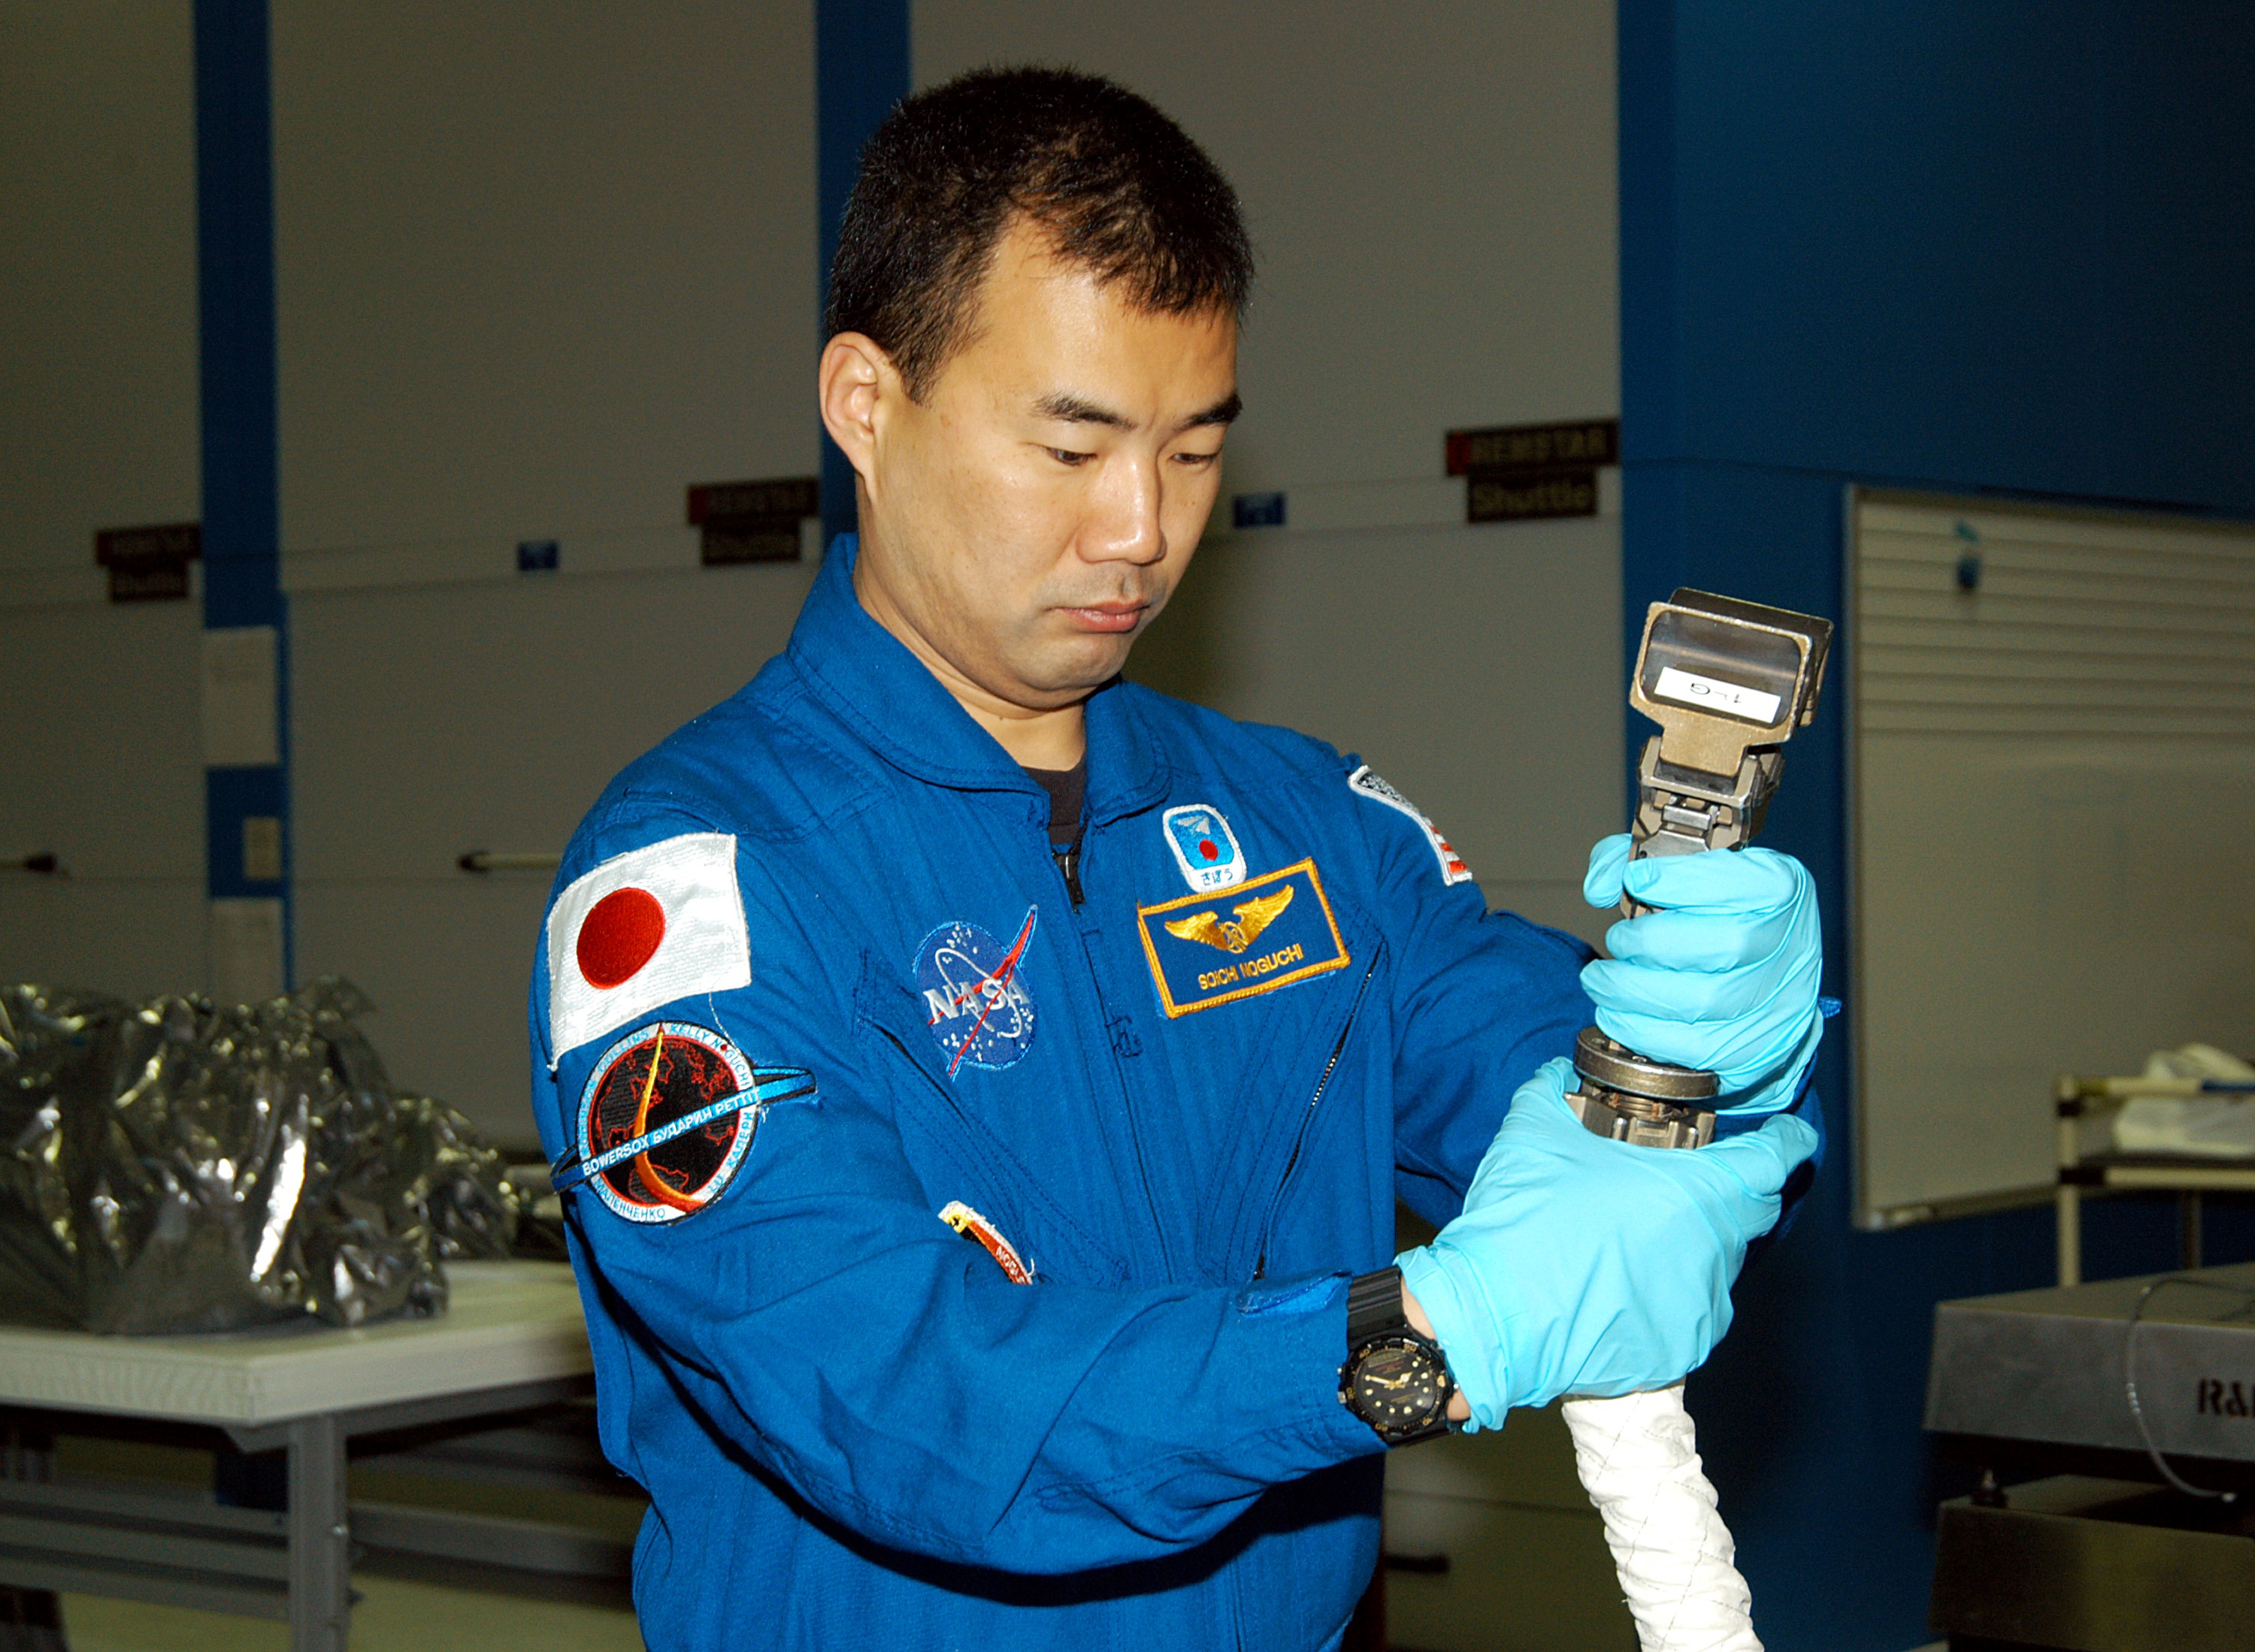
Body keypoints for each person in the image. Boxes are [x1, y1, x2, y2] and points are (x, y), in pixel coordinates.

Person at [528, 65, 1823, 1651]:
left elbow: (1554, 1112)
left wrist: (1706, 1046)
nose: (1141, 526)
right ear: (868, 404)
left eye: (1195, 450)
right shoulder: (700, 898)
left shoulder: (1308, 829)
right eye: (1072, 450)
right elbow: (910, 1399)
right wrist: (1424, 1338)